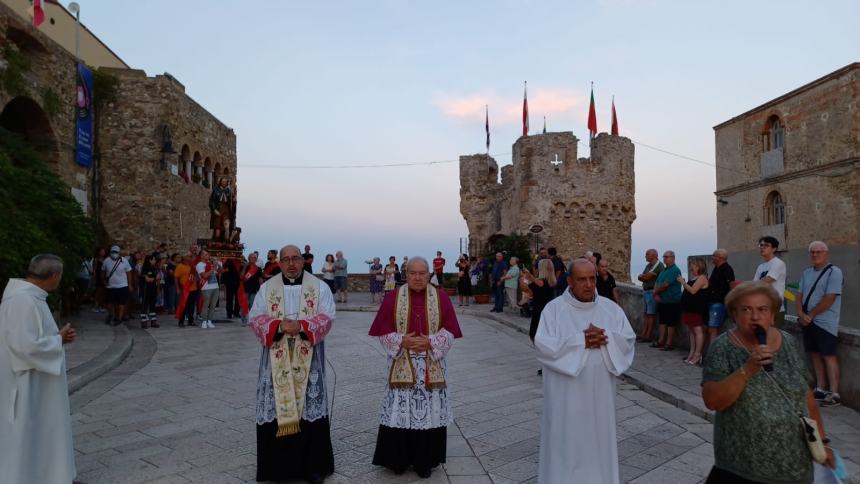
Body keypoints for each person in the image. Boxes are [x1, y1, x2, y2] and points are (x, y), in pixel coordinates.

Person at [702, 282, 834, 483]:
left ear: (772, 316)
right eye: (746, 309)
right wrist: (748, 369)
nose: (755, 317)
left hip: (795, 465)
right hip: (741, 468)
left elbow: (806, 396)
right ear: (734, 315)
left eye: (763, 309)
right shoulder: (722, 348)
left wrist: (823, 443)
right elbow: (713, 400)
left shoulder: (788, 342)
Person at [534, 259, 635, 483]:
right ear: (569, 281)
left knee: (598, 445)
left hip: (600, 398)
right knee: (565, 446)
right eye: (582, 279)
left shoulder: (611, 310)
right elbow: (543, 346)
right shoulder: (554, 311)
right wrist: (582, 341)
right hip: (565, 399)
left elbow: (628, 341)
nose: (589, 284)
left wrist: (606, 338)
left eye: (592, 278)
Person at [368, 256, 463, 478]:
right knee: (399, 410)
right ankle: (397, 459)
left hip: (431, 361)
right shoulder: (393, 297)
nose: (418, 277)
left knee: (428, 410)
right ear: (406, 274)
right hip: (402, 360)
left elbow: (450, 330)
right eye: (413, 273)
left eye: (422, 273)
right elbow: (382, 330)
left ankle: (425, 461)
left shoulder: (440, 298)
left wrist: (431, 342)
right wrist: (402, 341)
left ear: (429, 274)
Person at [248, 245, 335, 484]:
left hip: (309, 359)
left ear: (303, 260)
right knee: (277, 406)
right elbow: (254, 317)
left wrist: (303, 326)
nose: (291, 263)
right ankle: (278, 468)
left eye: (295, 258)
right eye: (286, 259)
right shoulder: (268, 288)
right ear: (279, 263)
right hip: (277, 358)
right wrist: (277, 326)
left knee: (309, 406)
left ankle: (313, 467)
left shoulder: (319, 287)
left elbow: (328, 315)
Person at [0, 254, 77, 484]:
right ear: (54, 276)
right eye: (60, 276)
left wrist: (56, 338)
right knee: (27, 430)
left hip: (37, 379)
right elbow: (24, 346)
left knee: (42, 428)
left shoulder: (29, 298)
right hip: (26, 382)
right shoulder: (22, 301)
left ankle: (51, 474)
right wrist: (58, 341)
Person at [796, 241, 843, 407]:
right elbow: (799, 295)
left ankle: (834, 392)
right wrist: (801, 314)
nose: (815, 255)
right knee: (814, 355)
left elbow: (830, 298)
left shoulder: (834, 272)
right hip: (808, 321)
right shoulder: (806, 272)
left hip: (825, 322)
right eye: (812, 252)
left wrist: (811, 315)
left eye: (819, 252)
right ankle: (821, 388)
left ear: (826, 253)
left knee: (828, 355)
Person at [678, 257, 709, 365]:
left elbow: (693, 291)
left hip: (696, 308)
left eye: (694, 265)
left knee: (697, 331)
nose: (691, 267)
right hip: (689, 308)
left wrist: (683, 283)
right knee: (691, 331)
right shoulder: (695, 277)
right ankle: (691, 352)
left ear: (699, 266)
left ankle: (697, 354)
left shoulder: (702, 278)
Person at [753, 236, 787, 327]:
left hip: (774, 308)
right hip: (761, 307)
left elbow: (766, 281)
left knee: (774, 337)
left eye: (766, 245)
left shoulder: (778, 263)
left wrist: (747, 287)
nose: (762, 247)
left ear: (774, 249)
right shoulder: (761, 266)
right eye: (761, 245)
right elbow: (754, 285)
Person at [652, 251, 681, 351]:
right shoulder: (664, 270)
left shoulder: (675, 270)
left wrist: (655, 293)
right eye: (664, 257)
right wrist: (655, 293)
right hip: (663, 301)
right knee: (662, 321)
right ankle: (661, 341)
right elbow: (657, 282)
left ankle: (669, 343)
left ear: (673, 258)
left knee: (671, 323)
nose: (664, 259)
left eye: (667, 257)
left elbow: (665, 285)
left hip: (672, 301)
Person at [707, 249, 735, 348]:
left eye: (714, 256)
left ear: (720, 257)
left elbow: (732, 285)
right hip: (712, 301)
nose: (712, 258)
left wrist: (730, 302)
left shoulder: (727, 269)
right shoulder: (716, 268)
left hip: (719, 302)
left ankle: (712, 353)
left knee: (713, 328)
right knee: (710, 328)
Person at [524, 259, 557, 342]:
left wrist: (526, 277)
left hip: (539, 311)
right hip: (549, 310)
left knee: (534, 334)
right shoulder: (553, 281)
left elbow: (527, 289)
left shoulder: (540, 282)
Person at [636, 249, 664, 343]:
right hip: (646, 291)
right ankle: (644, 333)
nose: (645, 256)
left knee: (650, 314)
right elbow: (640, 277)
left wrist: (643, 276)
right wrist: (642, 276)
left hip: (652, 292)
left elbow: (646, 277)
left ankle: (648, 335)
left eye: (647, 254)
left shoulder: (658, 265)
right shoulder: (649, 265)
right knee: (646, 314)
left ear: (654, 255)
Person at [102, 245, 133, 326]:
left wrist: (129, 284)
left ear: (119, 253)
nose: (114, 254)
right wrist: (103, 281)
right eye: (113, 252)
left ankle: (119, 318)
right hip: (110, 286)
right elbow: (103, 271)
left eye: (116, 252)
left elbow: (129, 273)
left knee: (121, 304)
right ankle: (111, 314)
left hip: (122, 285)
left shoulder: (124, 261)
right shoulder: (106, 261)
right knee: (109, 303)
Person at [196, 249, 221, 329]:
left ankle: (209, 321)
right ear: (201, 256)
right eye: (206, 254)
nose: (208, 256)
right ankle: (204, 321)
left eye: (208, 254)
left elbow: (220, 271)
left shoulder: (210, 263)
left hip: (215, 287)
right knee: (206, 305)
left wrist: (217, 264)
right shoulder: (199, 265)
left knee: (213, 306)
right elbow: (205, 276)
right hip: (206, 287)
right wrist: (213, 268)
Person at [174, 253, 199, 327]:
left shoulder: (192, 266)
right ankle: (181, 322)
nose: (190, 257)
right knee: (183, 305)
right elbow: (176, 278)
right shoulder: (180, 266)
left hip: (193, 288)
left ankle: (191, 321)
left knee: (192, 306)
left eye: (191, 256)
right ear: (184, 257)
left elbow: (196, 276)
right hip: (185, 289)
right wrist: (178, 288)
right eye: (189, 256)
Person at [240, 252, 263, 327]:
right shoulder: (245, 266)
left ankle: (251, 320)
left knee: (252, 306)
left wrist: (261, 289)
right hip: (245, 289)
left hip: (254, 289)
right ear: (249, 258)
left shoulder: (258, 268)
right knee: (244, 305)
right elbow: (241, 277)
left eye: (255, 258)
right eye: (252, 257)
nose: (253, 259)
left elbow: (260, 279)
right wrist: (244, 267)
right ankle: (243, 320)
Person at [209, 176, 235, 242]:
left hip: (226, 211)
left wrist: (234, 199)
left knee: (227, 227)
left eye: (225, 181)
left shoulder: (229, 191)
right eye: (223, 181)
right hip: (218, 209)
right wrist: (214, 209)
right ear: (220, 182)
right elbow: (211, 201)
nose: (224, 183)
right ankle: (217, 243)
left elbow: (232, 202)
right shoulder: (216, 190)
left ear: (227, 183)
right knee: (218, 229)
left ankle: (227, 242)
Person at [139, 253, 160, 328]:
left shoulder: (154, 268)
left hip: (153, 289)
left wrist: (157, 289)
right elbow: (147, 279)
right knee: (144, 306)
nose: (155, 261)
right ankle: (144, 322)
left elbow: (157, 278)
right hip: (145, 290)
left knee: (152, 306)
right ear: (149, 260)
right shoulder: (145, 268)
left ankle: (153, 322)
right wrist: (155, 279)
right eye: (153, 259)